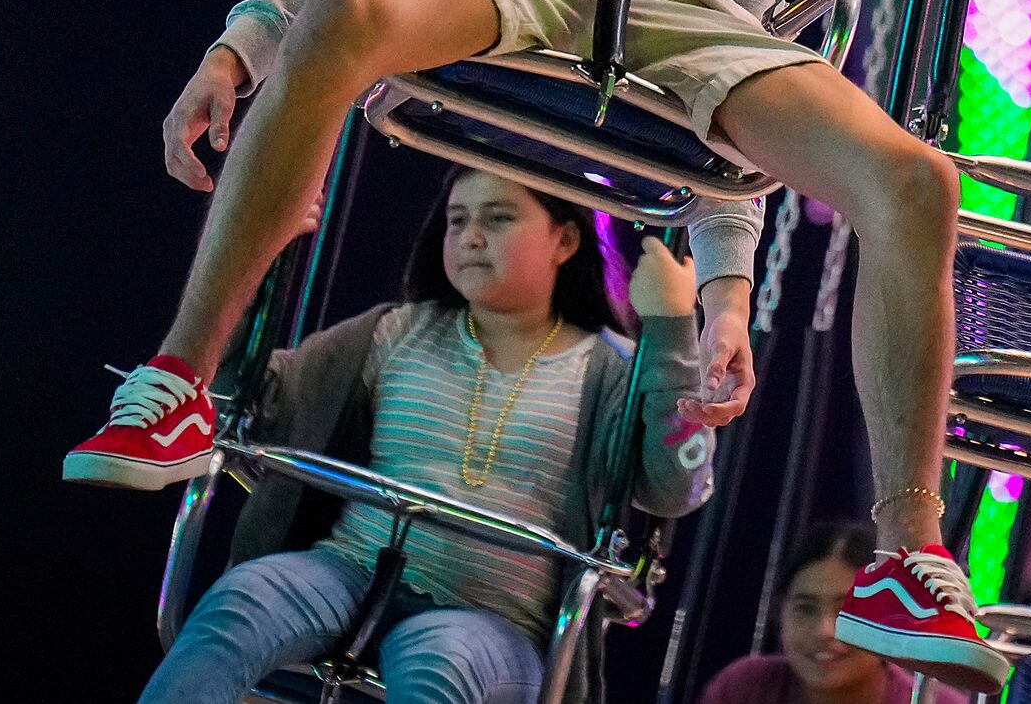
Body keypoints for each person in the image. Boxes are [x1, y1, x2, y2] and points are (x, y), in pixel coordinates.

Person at [69, 0, 1007, 694]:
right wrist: (239, 45)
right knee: (340, 16)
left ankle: (908, 554)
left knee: (917, 179)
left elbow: (750, 51)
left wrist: (727, 296)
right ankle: (179, 379)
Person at [139, 167, 707, 702]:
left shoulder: (612, 372)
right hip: (350, 570)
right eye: (458, 220)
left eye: (498, 218)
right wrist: (258, 258)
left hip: (495, 620)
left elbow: (675, 486)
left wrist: (672, 328)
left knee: (441, 663)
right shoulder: (395, 332)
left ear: (565, 240)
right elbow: (252, 400)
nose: (471, 237)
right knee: (243, 601)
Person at [697, 520, 974, 704]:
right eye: (805, 608)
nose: (825, 630)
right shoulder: (744, 689)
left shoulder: (931, 701)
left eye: (847, 611)